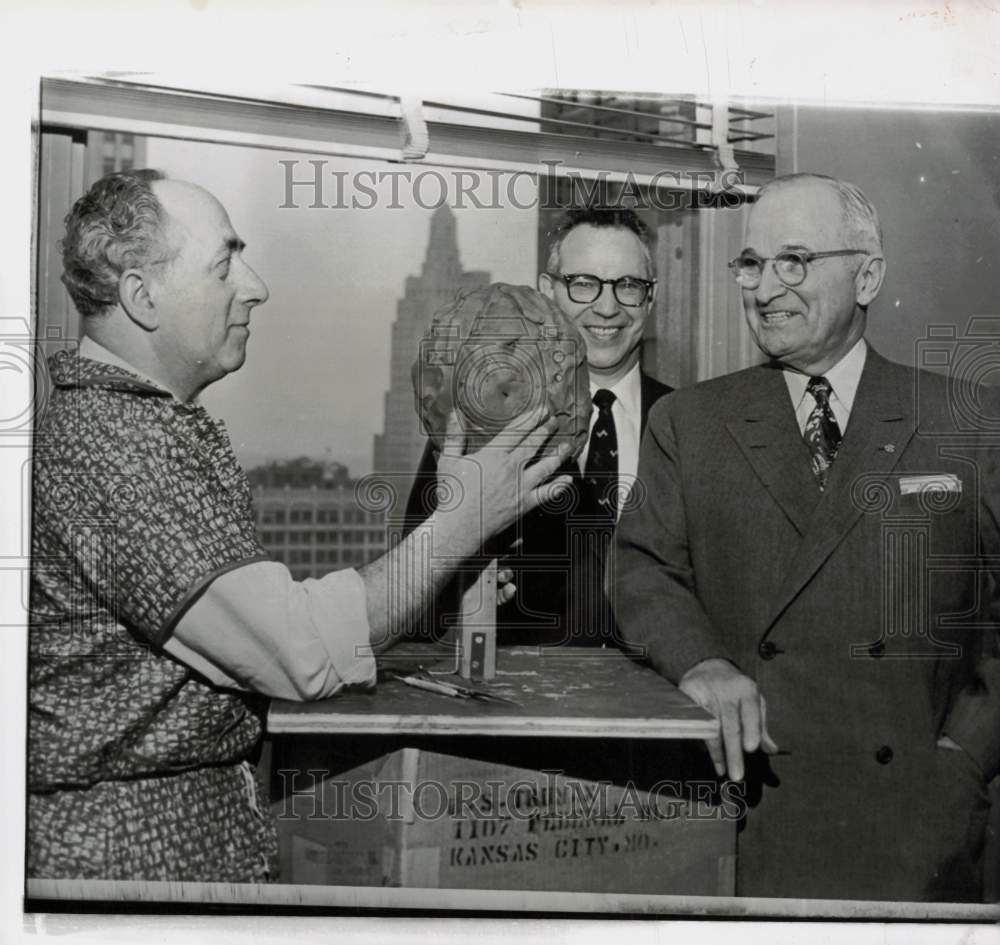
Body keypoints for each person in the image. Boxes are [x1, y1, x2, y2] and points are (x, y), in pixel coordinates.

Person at [28, 169, 571, 882]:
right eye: (224, 264)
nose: (254, 285)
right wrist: (459, 524)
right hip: (129, 860)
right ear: (141, 295)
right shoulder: (118, 447)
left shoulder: (134, 427)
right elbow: (295, 645)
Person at [614, 172, 1000, 901]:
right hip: (754, 815)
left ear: (868, 275)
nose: (764, 288)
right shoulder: (691, 423)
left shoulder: (967, 421)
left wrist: (965, 756)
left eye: (795, 260)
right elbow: (641, 570)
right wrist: (702, 663)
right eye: (752, 264)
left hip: (916, 824)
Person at [406, 207, 672, 645]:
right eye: (583, 284)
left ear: (651, 297)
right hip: (529, 702)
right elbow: (415, 605)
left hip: (664, 701)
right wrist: (465, 589)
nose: (607, 308)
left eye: (628, 285)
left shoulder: (691, 423)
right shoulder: (475, 434)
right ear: (547, 292)